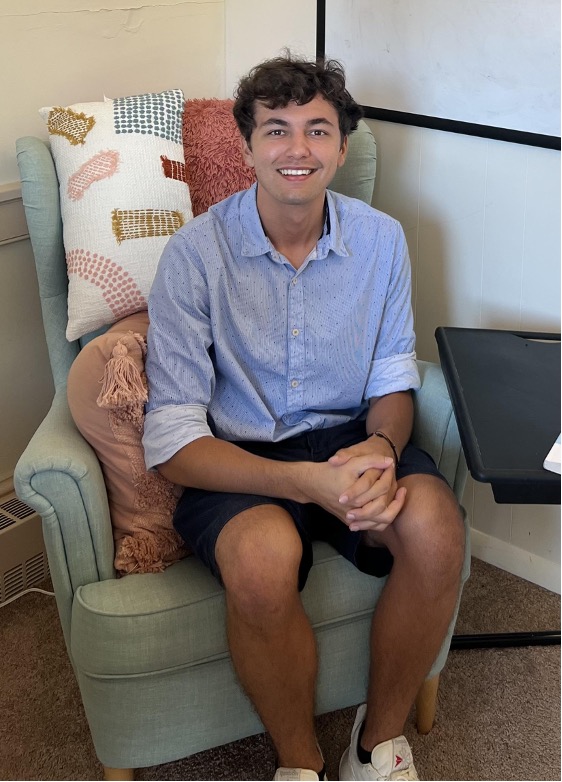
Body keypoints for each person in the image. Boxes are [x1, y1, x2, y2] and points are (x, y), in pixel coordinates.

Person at [143, 52, 465, 782]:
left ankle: (373, 745)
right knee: (260, 563)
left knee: (437, 529)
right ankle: (299, 761)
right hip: (242, 454)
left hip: (351, 438)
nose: (297, 150)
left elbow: (392, 379)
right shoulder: (195, 256)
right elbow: (173, 439)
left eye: (317, 131)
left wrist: (381, 447)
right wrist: (306, 484)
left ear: (342, 147)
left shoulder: (381, 240)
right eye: (277, 130)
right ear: (247, 145)